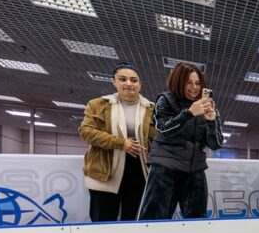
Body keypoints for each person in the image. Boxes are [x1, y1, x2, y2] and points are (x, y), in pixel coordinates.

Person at [139, 62, 223, 220]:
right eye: (189, 82)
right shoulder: (165, 99)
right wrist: (189, 113)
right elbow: (163, 129)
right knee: (154, 220)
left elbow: (215, 144)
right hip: (165, 168)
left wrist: (212, 121)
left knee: (197, 221)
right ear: (178, 81)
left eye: (198, 83)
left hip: (195, 170)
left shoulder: (208, 107)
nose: (194, 88)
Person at [78, 63, 156, 221]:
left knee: (133, 222)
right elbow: (86, 132)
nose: (129, 83)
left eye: (133, 80)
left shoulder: (152, 109)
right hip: (105, 173)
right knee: (102, 222)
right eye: (123, 79)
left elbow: (160, 137)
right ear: (114, 82)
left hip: (139, 173)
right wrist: (121, 143)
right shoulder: (98, 105)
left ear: (140, 84)